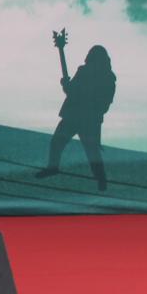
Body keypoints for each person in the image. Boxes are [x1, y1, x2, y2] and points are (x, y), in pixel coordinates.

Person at [37, 30, 115, 191]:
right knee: (66, 144)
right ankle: (99, 179)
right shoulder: (99, 75)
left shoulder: (103, 77)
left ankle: (100, 179)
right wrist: (67, 86)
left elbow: (78, 93)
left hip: (82, 117)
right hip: (80, 117)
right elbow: (73, 91)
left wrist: (68, 87)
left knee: (87, 150)